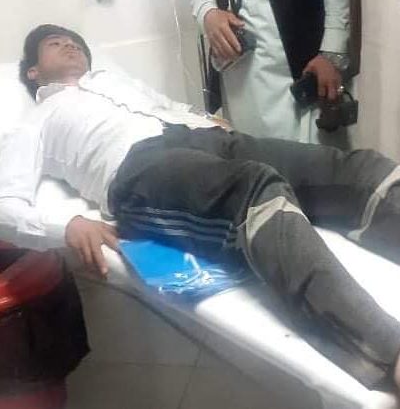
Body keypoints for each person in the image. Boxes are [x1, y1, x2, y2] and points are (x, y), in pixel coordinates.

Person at [0, 24, 399, 390]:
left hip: (206, 138)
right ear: (33, 72)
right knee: (255, 191)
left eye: (75, 41)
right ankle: (387, 352)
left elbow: (170, 106)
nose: (70, 45)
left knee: (356, 170)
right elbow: (6, 205)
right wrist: (66, 225)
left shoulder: (116, 82)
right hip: (137, 168)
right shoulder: (37, 120)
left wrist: (209, 121)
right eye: (55, 43)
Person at [187, 0, 352, 148]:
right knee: (247, 152)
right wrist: (207, 12)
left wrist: (331, 51)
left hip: (302, 62)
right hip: (238, 69)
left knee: (307, 157)